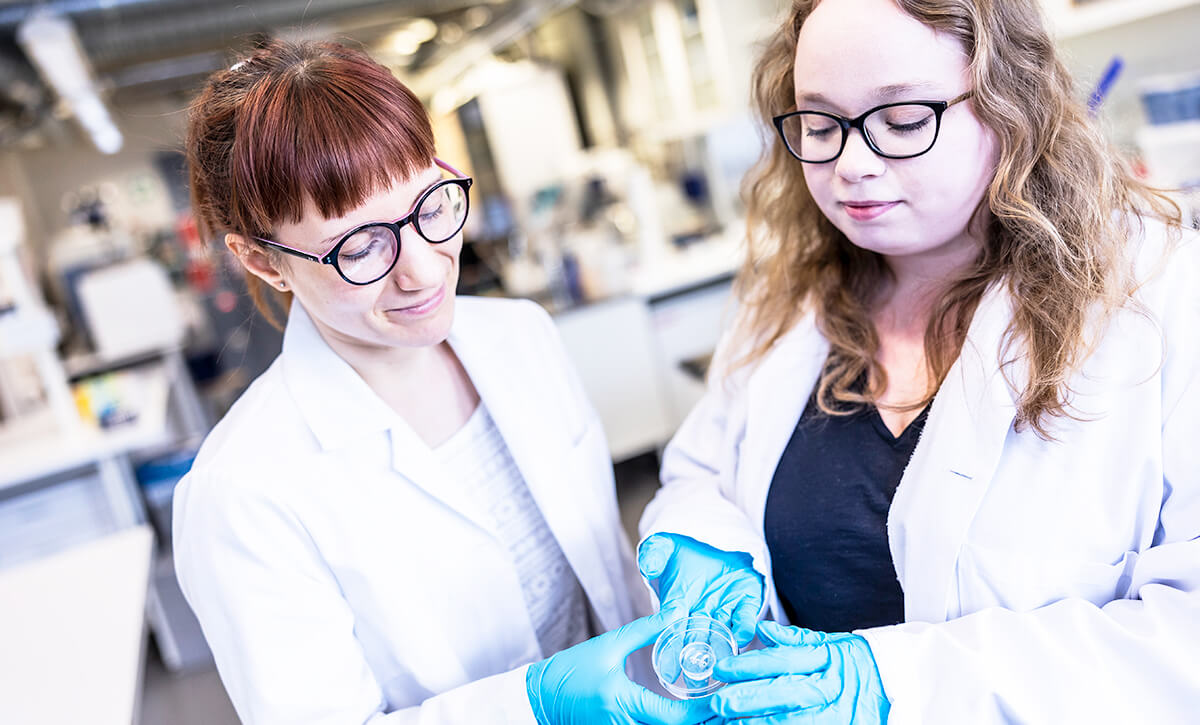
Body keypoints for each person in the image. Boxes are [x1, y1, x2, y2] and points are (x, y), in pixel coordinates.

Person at [636, 0, 1200, 723]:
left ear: (1010, 102)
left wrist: (903, 682)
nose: (851, 165)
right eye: (819, 124)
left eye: (901, 121)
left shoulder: (1159, 297)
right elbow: (704, 470)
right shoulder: (785, 297)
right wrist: (703, 545)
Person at [174, 39, 713, 725]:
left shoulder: (521, 334)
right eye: (361, 246)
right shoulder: (244, 492)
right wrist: (533, 705)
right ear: (263, 260)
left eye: (429, 206)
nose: (424, 272)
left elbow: (597, 563)